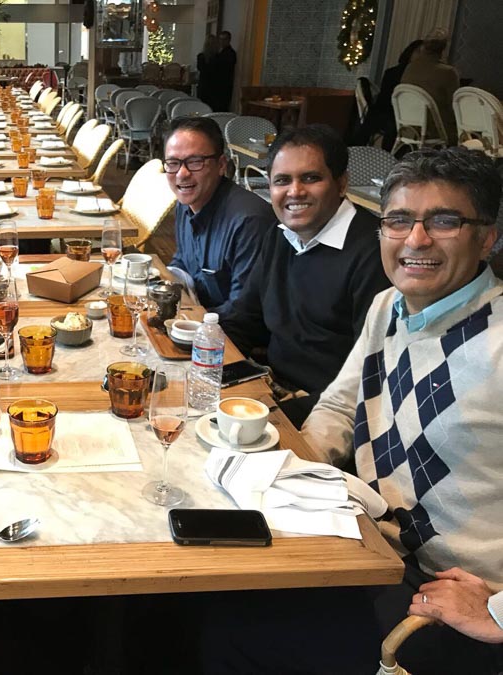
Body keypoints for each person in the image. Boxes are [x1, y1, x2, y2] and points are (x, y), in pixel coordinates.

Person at [197, 147, 503, 675]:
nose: (416, 239)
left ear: (489, 236)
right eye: (400, 220)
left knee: (226, 627)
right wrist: (285, 477)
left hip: (435, 591)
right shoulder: (391, 307)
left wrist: (498, 608)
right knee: (207, 582)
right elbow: (339, 406)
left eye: (445, 221)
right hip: (363, 542)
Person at [221, 124, 390, 426]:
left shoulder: (373, 255)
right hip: (268, 387)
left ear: (341, 184)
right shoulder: (280, 236)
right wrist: (199, 356)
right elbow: (245, 319)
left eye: (311, 178)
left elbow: (369, 377)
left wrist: (273, 417)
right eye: (282, 181)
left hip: (330, 412)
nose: (295, 191)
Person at [164, 116, 274, 315]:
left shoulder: (249, 222)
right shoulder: (185, 203)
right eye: (172, 163)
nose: (182, 174)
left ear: (221, 165)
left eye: (195, 162)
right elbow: (181, 262)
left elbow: (243, 312)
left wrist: (186, 323)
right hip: (197, 317)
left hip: (232, 336)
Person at [356, 40, 423, 151]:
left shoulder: (417, 75)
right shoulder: (394, 73)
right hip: (389, 111)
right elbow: (385, 98)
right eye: (418, 51)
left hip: (397, 114)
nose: (420, 56)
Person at [401, 28, 460, 145]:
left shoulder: (410, 68)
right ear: (443, 50)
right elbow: (454, 105)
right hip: (435, 129)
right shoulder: (448, 72)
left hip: (409, 126)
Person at [211, 30, 237, 112]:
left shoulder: (230, 53)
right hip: (217, 85)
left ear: (229, 40)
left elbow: (224, 68)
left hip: (224, 85)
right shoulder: (220, 52)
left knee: (221, 107)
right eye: (220, 39)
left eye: (224, 39)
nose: (222, 41)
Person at [195, 34, 218, 107]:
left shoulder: (201, 56)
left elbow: (199, 68)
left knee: (202, 106)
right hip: (213, 85)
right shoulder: (218, 57)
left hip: (204, 84)